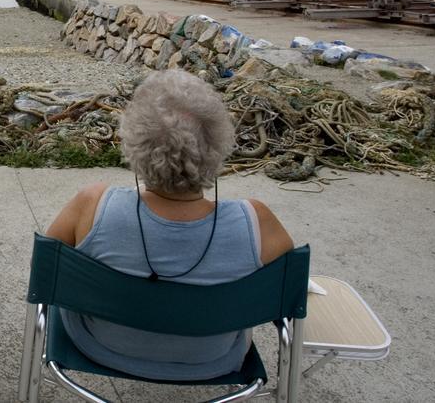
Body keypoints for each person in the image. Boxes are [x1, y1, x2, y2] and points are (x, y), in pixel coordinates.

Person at [45, 70, 293, 381]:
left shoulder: (92, 205)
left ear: (134, 142)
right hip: (212, 358)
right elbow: (287, 286)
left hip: (101, 347)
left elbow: (47, 270)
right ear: (218, 144)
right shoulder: (257, 222)